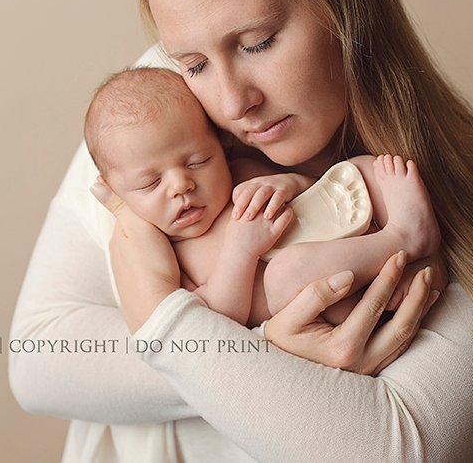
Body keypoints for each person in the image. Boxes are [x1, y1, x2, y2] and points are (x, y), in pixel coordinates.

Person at [9, 0, 473, 462]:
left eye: (257, 43)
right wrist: (267, 347)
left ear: (343, 4)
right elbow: (37, 359)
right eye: (192, 62)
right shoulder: (157, 115)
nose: (231, 101)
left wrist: (196, 337)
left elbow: (393, 453)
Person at [83, 66, 441, 327]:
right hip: (332, 303)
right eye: (149, 183)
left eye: (197, 161)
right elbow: (219, 317)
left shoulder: (241, 174)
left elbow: (313, 189)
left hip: (355, 242)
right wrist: (242, 250)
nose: (180, 186)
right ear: (114, 191)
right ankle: (406, 236)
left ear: (221, 142)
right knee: (285, 273)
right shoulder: (169, 250)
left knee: (360, 169)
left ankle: (405, 265)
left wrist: (288, 184)